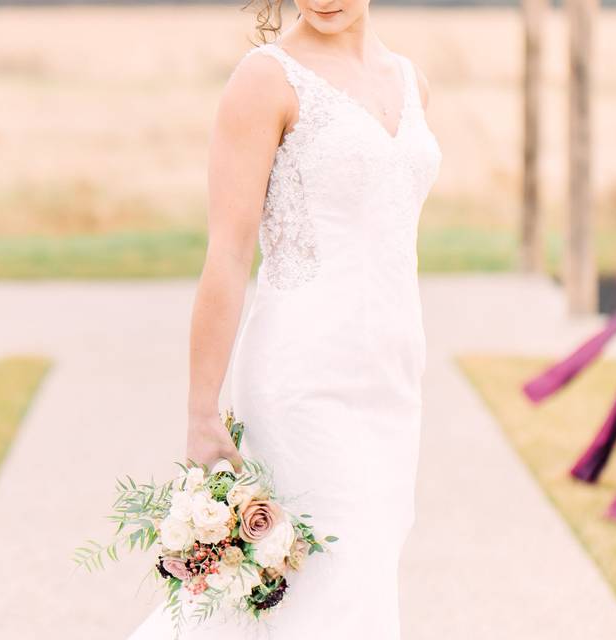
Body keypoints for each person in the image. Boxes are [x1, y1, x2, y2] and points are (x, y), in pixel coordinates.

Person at [128, 0, 442, 637]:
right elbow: (229, 251)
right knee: (330, 584)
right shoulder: (265, 78)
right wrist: (201, 411)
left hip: (393, 377)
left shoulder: (412, 82)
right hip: (301, 377)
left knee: (364, 576)